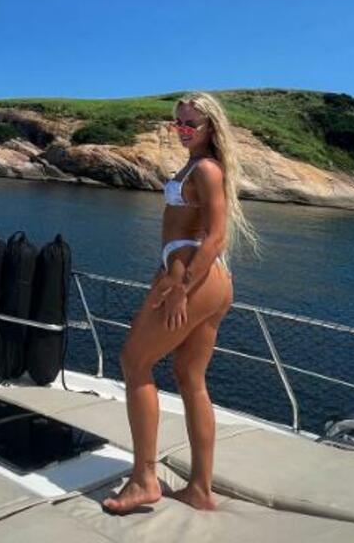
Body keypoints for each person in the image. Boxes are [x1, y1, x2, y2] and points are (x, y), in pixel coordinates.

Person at [102, 92, 257, 514]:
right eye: (179, 123)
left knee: (134, 362)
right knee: (190, 377)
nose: (184, 130)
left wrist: (181, 288)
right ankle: (200, 489)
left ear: (211, 127)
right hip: (211, 280)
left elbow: (216, 236)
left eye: (192, 123)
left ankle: (144, 479)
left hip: (192, 276)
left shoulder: (206, 169)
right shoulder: (197, 166)